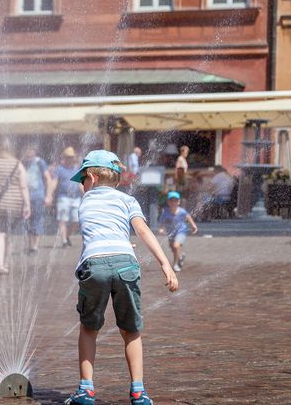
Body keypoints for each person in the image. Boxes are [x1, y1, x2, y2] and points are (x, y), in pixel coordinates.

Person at [64, 150, 178, 405]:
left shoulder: (85, 201)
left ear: (90, 179)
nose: (81, 186)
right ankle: (138, 391)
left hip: (94, 266)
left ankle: (86, 390)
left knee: (89, 328)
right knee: (131, 331)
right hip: (126, 263)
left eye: (82, 180)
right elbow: (143, 230)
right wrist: (165, 265)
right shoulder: (128, 201)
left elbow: (98, 227)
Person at [0, 139, 31, 275]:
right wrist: (27, 205)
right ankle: (6, 263)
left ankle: (0, 264)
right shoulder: (18, 164)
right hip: (16, 204)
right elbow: (24, 186)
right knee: (8, 234)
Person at [46, 147, 82, 248]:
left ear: (74, 158)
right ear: (64, 158)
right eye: (67, 157)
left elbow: (80, 184)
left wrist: (88, 195)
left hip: (76, 198)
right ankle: (64, 241)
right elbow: (54, 182)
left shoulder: (77, 169)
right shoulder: (59, 169)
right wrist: (49, 196)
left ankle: (67, 236)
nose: (69, 159)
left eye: (71, 157)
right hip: (63, 197)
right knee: (63, 219)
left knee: (76, 220)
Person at [157, 191, 198, 272]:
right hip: (171, 233)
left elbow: (188, 217)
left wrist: (193, 226)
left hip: (181, 231)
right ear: (168, 202)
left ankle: (176, 264)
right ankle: (180, 257)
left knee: (176, 246)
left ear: (178, 202)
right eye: (171, 200)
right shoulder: (165, 212)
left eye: (175, 200)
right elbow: (162, 222)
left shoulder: (182, 211)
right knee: (173, 249)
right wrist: (161, 228)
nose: (173, 202)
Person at [21, 144, 51, 253]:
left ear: (35, 151)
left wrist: (48, 196)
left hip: (38, 196)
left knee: (37, 220)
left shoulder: (40, 162)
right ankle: (30, 245)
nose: (30, 152)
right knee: (27, 221)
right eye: (28, 150)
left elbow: (48, 178)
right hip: (25, 197)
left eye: (32, 150)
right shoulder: (22, 163)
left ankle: (35, 246)